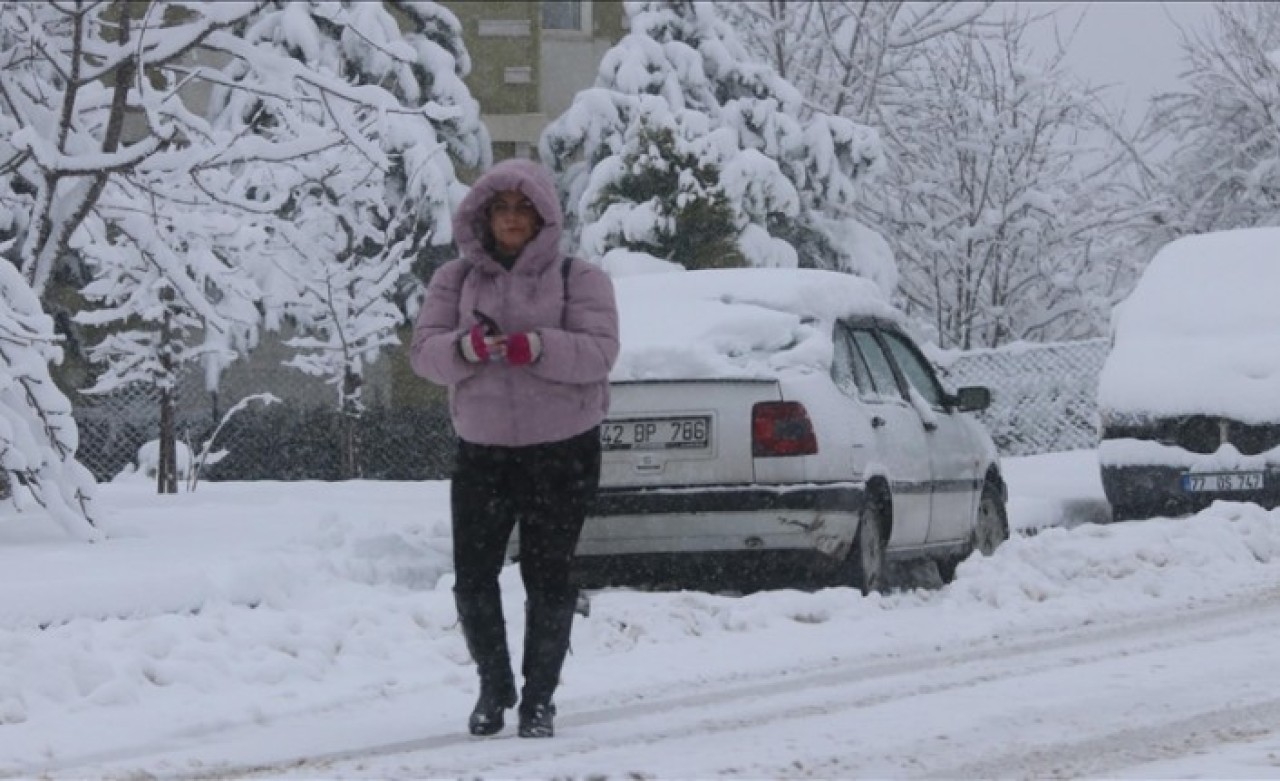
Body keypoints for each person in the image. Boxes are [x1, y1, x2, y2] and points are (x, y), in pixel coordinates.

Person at [409, 158, 619, 738]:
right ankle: (493, 686)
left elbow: (600, 353)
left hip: (563, 451)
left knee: (548, 578)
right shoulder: (454, 281)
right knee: (472, 578)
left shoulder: (581, 279)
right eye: (499, 209)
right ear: (481, 216)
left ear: (542, 216)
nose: (509, 219)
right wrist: (467, 349)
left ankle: (539, 700)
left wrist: (538, 346)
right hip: (483, 452)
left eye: (522, 209)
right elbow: (424, 352)